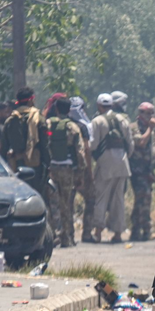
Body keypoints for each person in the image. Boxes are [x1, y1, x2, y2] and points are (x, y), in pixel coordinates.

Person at [90, 92, 133, 244]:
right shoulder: (123, 119)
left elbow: (93, 145)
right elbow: (130, 144)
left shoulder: (97, 121)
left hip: (105, 164)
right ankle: (118, 234)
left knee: (101, 198)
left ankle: (98, 233)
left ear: (99, 105)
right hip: (122, 164)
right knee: (118, 200)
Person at [47, 97, 86, 248]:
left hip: (51, 169)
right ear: (69, 110)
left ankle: (53, 235)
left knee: (52, 203)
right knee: (66, 203)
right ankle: (67, 238)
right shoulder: (73, 127)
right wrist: (80, 173)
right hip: (67, 170)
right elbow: (80, 153)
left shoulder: (49, 124)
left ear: (56, 109)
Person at [1, 86, 50, 196]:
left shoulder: (10, 121)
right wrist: (48, 164)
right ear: (31, 100)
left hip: (16, 165)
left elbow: (3, 148)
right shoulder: (40, 119)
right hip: (35, 166)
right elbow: (44, 144)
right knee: (36, 195)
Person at [129, 102, 155, 242]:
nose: (151, 116)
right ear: (140, 114)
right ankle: (146, 231)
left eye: (152, 113)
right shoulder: (134, 128)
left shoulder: (152, 131)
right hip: (137, 171)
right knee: (144, 199)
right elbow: (141, 142)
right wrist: (150, 128)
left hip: (148, 171)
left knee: (140, 202)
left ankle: (136, 231)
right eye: (148, 113)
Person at [69, 96, 96, 243]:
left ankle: (69, 235)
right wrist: (89, 173)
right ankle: (86, 233)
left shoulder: (65, 124)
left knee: (68, 202)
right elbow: (86, 150)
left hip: (66, 169)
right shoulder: (83, 126)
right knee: (91, 199)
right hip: (81, 169)